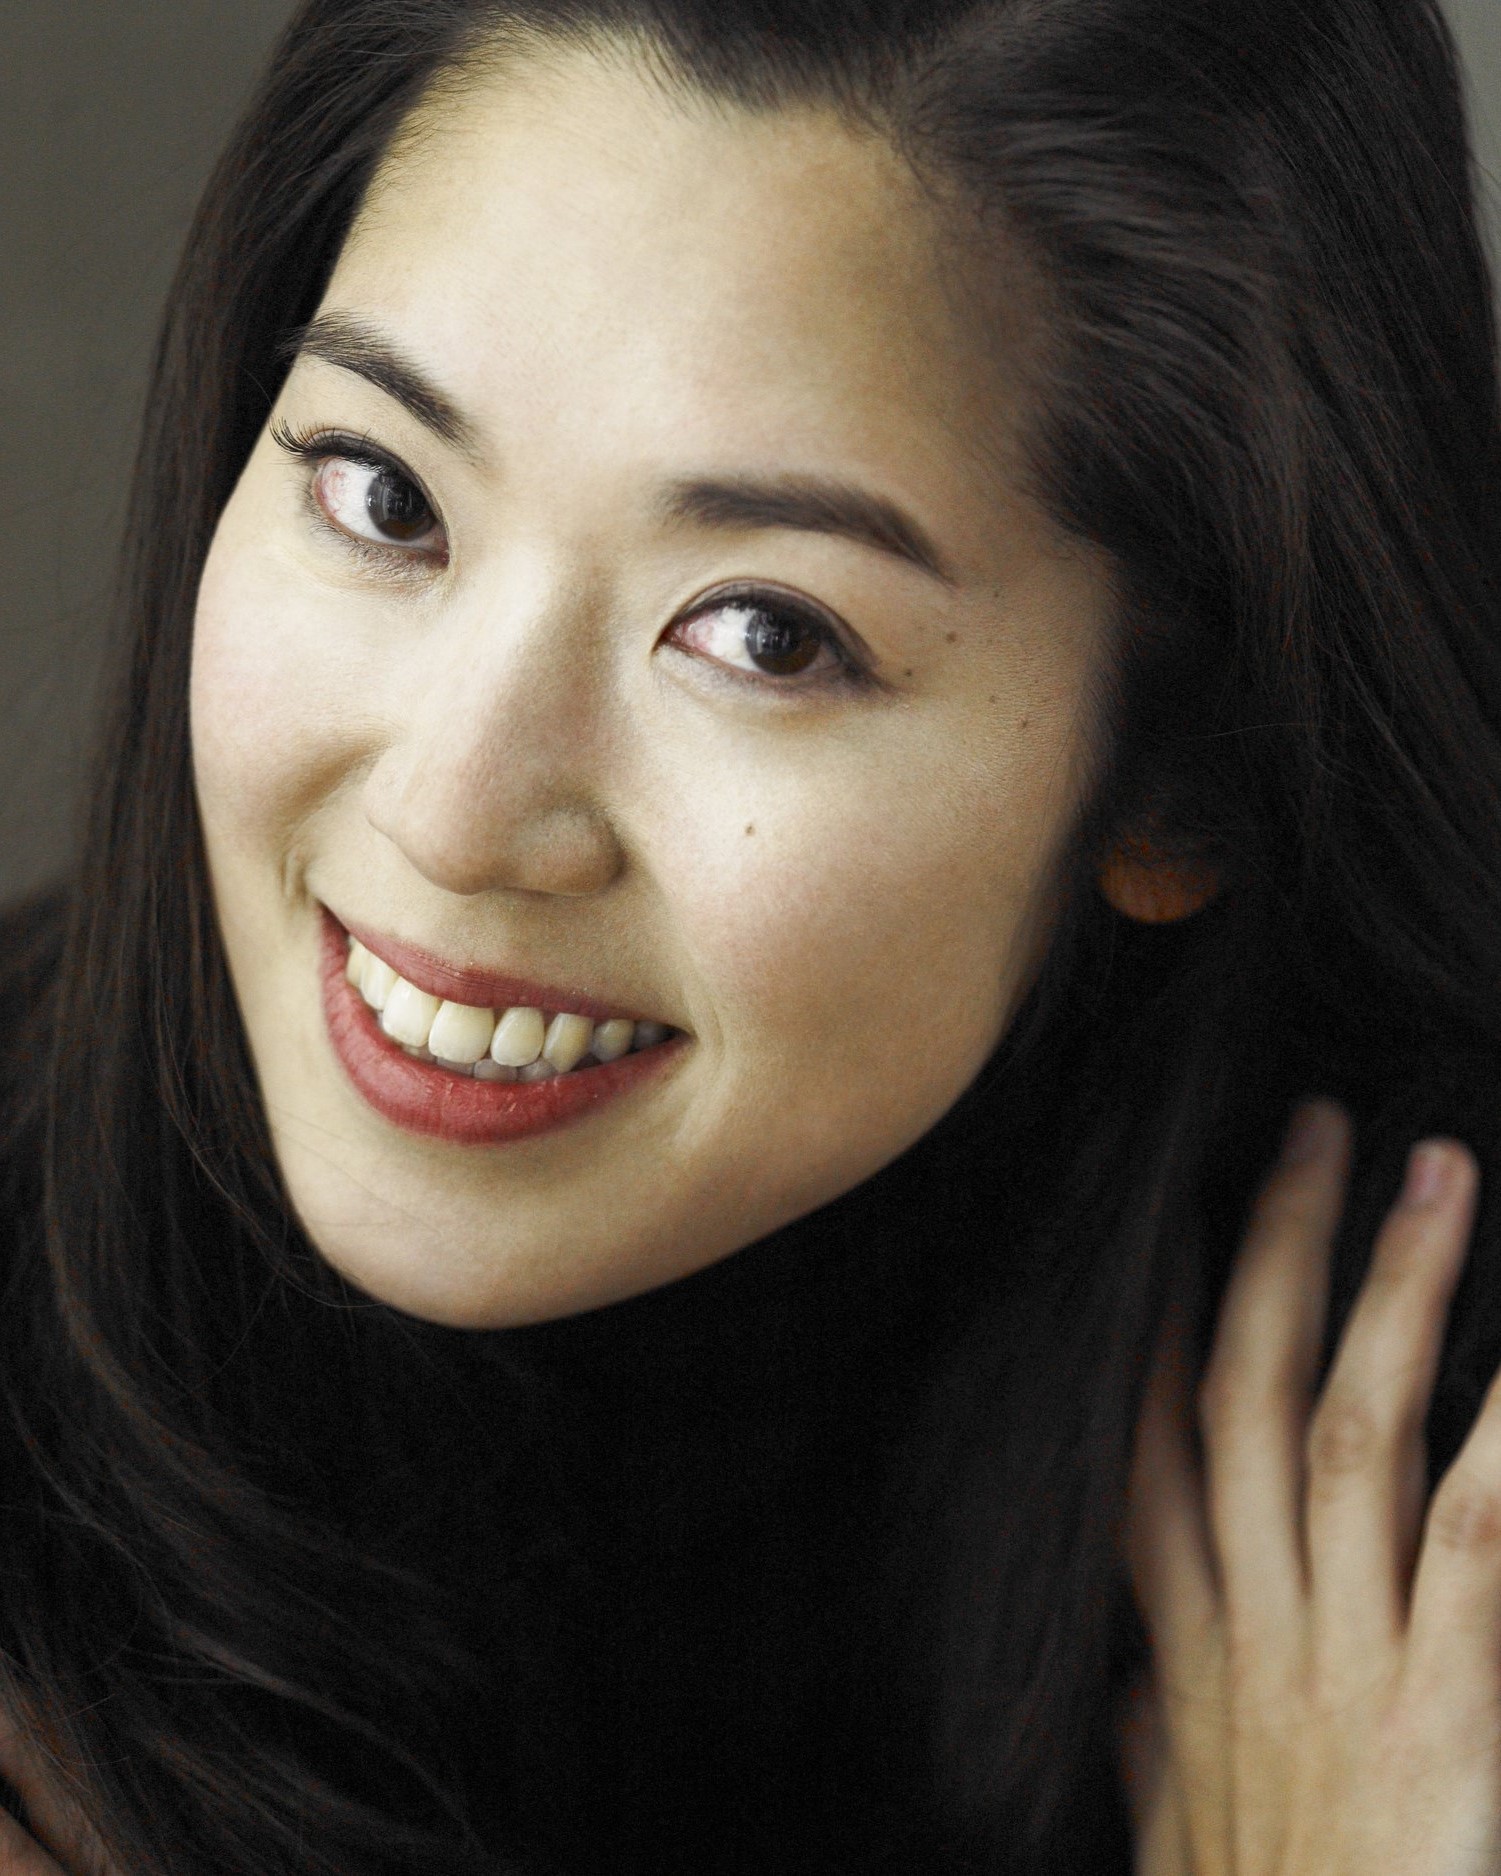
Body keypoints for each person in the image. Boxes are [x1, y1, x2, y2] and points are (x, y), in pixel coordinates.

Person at [1, 0, 1499, 1870]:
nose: (449, 813)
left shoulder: (1416, 1554)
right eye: (383, 497)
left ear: (1181, 779)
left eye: (764, 635)